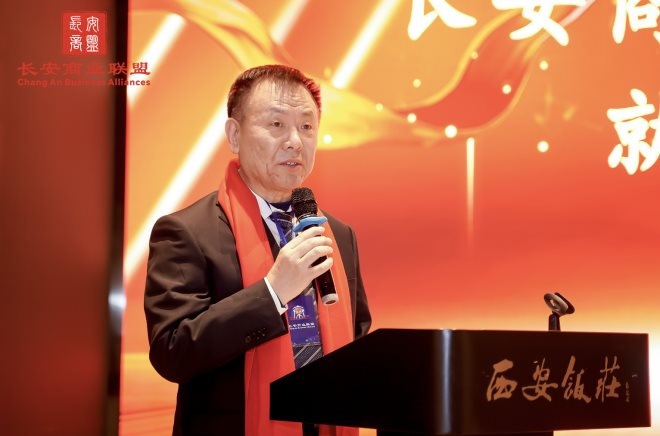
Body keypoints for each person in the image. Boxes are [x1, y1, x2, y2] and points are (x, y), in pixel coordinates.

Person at [144, 64, 372, 436]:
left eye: (307, 126)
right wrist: (272, 293)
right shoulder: (187, 232)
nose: (295, 141)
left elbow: (357, 332)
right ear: (235, 135)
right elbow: (173, 352)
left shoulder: (338, 234)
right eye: (276, 124)